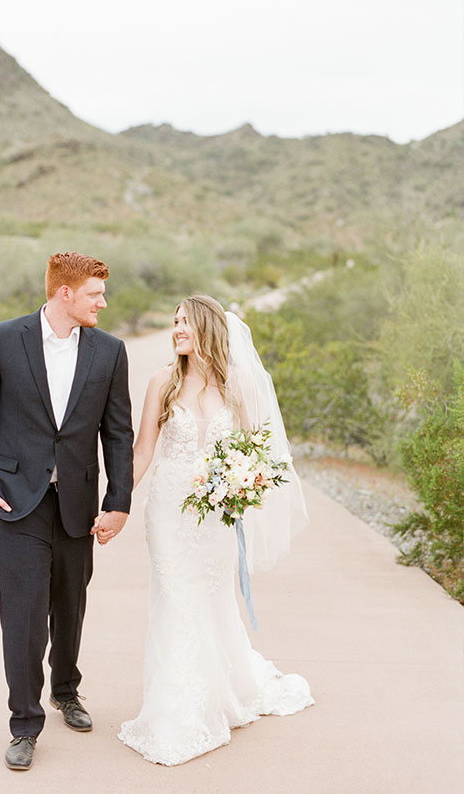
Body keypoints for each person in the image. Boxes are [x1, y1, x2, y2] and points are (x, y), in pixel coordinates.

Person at [114, 295, 314, 766]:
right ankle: (175, 715)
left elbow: (259, 453)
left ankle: (221, 693)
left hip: (216, 517)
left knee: (212, 601)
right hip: (169, 512)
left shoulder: (238, 384)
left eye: (185, 321)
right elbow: (142, 451)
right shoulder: (162, 381)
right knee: (175, 601)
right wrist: (115, 503)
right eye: (174, 322)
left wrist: (242, 485)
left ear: (206, 327)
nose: (177, 329)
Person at [0, 252, 133, 771]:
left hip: (77, 502)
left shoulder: (110, 351)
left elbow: (117, 434)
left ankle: (66, 689)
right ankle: (24, 723)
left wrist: (118, 503)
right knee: (24, 615)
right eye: (96, 293)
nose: (103, 302)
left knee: (69, 605)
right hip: (14, 503)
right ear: (65, 293)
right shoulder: (1, 340)